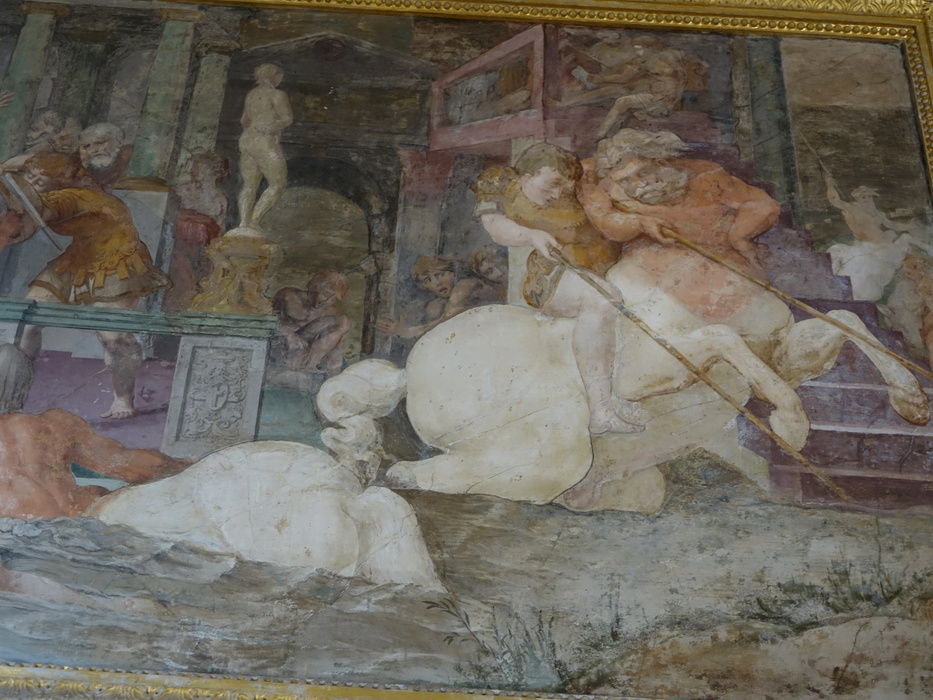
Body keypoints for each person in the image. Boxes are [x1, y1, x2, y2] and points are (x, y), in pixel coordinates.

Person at [474, 142, 652, 434]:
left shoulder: (582, 183)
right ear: (526, 176)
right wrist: (530, 235)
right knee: (601, 299)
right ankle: (601, 412)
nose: (557, 195)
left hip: (611, 263)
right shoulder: (499, 183)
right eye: (551, 185)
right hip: (557, 272)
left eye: (563, 188)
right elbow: (494, 225)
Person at [0, 152, 170, 419]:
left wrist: (12, 183)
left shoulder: (76, 197)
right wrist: (8, 169)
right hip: (78, 258)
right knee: (25, 321)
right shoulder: (58, 188)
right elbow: (26, 205)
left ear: (58, 181)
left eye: (38, 180)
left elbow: (42, 209)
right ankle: (11, 395)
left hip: (115, 262)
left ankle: (123, 399)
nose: (31, 183)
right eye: (29, 177)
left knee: (114, 338)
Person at [578, 129, 781, 323]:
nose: (639, 184)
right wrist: (639, 223)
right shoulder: (601, 184)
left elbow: (763, 205)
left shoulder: (706, 176)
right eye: (626, 181)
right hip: (654, 267)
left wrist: (739, 236)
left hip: (717, 263)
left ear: (659, 161)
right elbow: (605, 219)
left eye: (644, 172)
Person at [0, 343, 188, 520]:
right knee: (97, 493)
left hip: (17, 527)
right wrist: (186, 466)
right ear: (27, 382)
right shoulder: (56, 423)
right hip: (72, 520)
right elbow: (127, 464)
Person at [376, 251, 505, 340]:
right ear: (424, 287)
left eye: (440, 275)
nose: (437, 283)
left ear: (451, 273)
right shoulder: (439, 303)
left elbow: (447, 319)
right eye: (428, 280)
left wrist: (408, 332)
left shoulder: (465, 286)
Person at [164, 152, 229, 311]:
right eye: (194, 166)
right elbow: (167, 213)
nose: (193, 170)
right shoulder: (182, 190)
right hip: (179, 245)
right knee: (183, 282)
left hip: (202, 249)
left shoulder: (220, 199)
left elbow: (219, 229)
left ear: (213, 171)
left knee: (199, 284)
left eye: (200, 166)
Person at [237, 63, 293, 229]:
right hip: (264, 139)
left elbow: (244, 121)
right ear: (272, 76)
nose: (280, 79)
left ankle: (243, 223)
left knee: (249, 185)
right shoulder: (277, 94)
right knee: (277, 184)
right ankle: (254, 221)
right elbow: (287, 118)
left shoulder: (251, 95)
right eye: (278, 75)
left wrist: (255, 129)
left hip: (247, 139)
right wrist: (272, 127)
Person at [272, 270, 352, 377]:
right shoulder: (289, 296)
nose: (327, 301)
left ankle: (311, 365)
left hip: (308, 353)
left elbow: (336, 343)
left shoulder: (331, 311)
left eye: (334, 299)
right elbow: (269, 316)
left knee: (344, 322)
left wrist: (334, 373)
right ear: (315, 288)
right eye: (326, 294)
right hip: (285, 347)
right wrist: (289, 334)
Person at [79, 122, 132, 191]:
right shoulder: (90, 169)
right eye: (87, 146)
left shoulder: (130, 157)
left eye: (99, 143)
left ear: (119, 141)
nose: (92, 150)